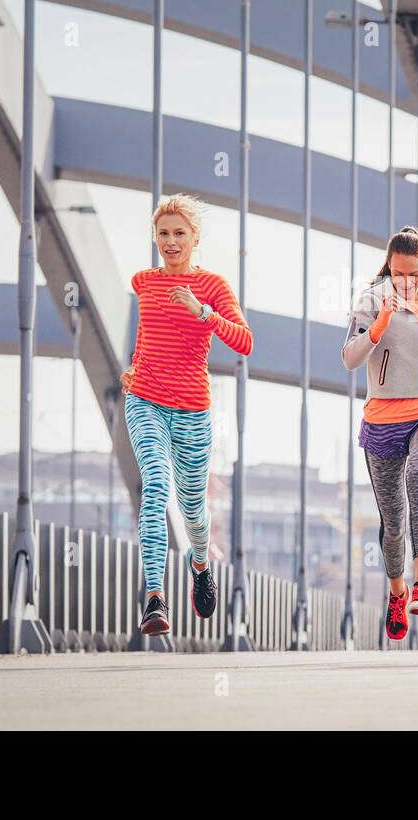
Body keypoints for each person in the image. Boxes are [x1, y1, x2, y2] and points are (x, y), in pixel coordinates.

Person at [121, 193, 253, 636]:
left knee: (193, 508)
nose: (171, 241)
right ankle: (154, 598)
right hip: (145, 400)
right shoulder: (143, 281)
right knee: (155, 486)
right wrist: (135, 366)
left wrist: (204, 312)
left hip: (193, 410)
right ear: (154, 236)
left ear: (195, 238)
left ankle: (200, 562)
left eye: (180, 233)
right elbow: (146, 332)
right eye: (163, 233)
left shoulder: (213, 286)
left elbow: (245, 342)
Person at [341, 226, 418, 641]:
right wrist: (381, 323)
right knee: (392, 524)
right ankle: (397, 592)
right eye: (398, 274)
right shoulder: (370, 301)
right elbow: (349, 359)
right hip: (382, 422)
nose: (406, 282)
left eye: (413, 273)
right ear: (389, 269)